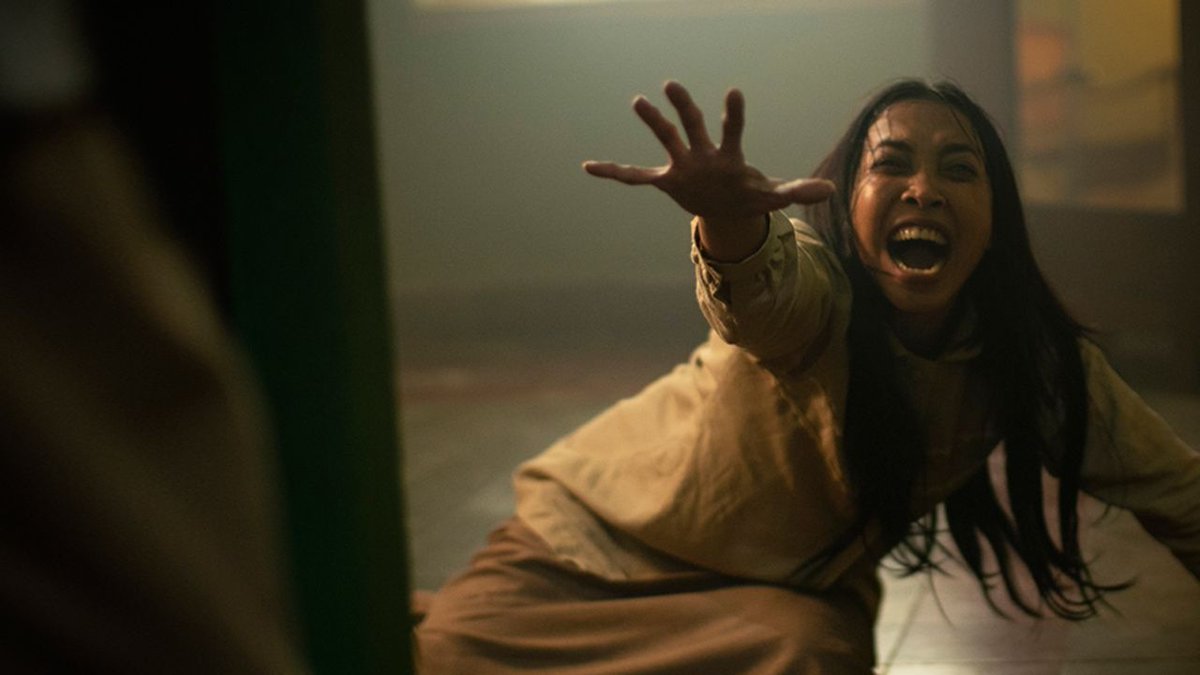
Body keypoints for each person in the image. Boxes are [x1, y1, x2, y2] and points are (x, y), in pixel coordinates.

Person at [414, 80, 1200, 673]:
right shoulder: (818, 289)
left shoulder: (1033, 362)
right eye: (891, 164)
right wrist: (730, 222)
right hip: (593, 548)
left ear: (995, 221)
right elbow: (759, 293)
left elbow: (1180, 494)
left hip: (770, 601)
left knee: (815, 656)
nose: (923, 189)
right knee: (438, 654)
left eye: (958, 170)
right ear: (849, 207)